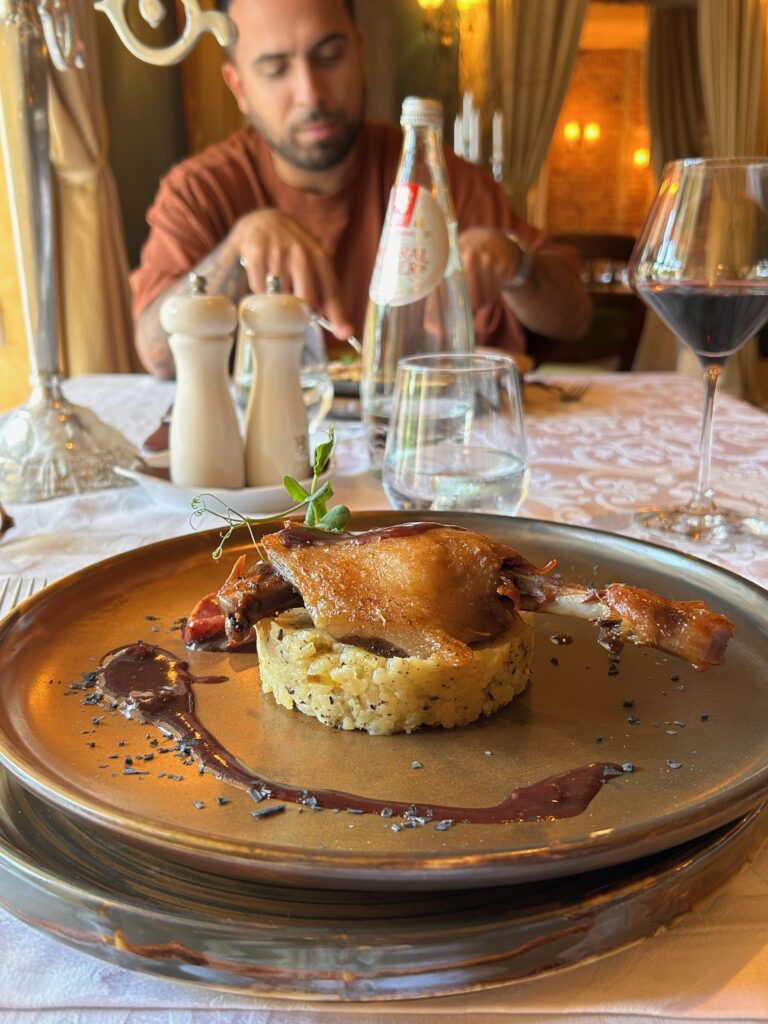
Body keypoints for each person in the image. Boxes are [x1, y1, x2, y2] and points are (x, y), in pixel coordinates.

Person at [131, 0, 592, 379]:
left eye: (330, 56)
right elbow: (157, 356)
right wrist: (237, 247)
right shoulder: (201, 190)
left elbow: (575, 317)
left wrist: (515, 263)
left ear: (361, 52)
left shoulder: (435, 177)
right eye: (275, 69)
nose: (311, 93)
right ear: (239, 88)